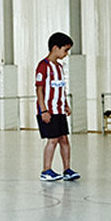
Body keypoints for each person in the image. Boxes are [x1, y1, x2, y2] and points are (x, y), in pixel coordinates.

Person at [37, 32, 79, 182]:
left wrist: (66, 104)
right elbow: (39, 89)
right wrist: (44, 110)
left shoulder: (60, 67)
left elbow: (62, 88)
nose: (66, 54)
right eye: (65, 50)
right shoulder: (43, 66)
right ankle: (46, 170)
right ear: (55, 48)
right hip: (49, 111)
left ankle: (67, 169)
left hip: (60, 110)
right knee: (52, 140)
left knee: (64, 140)